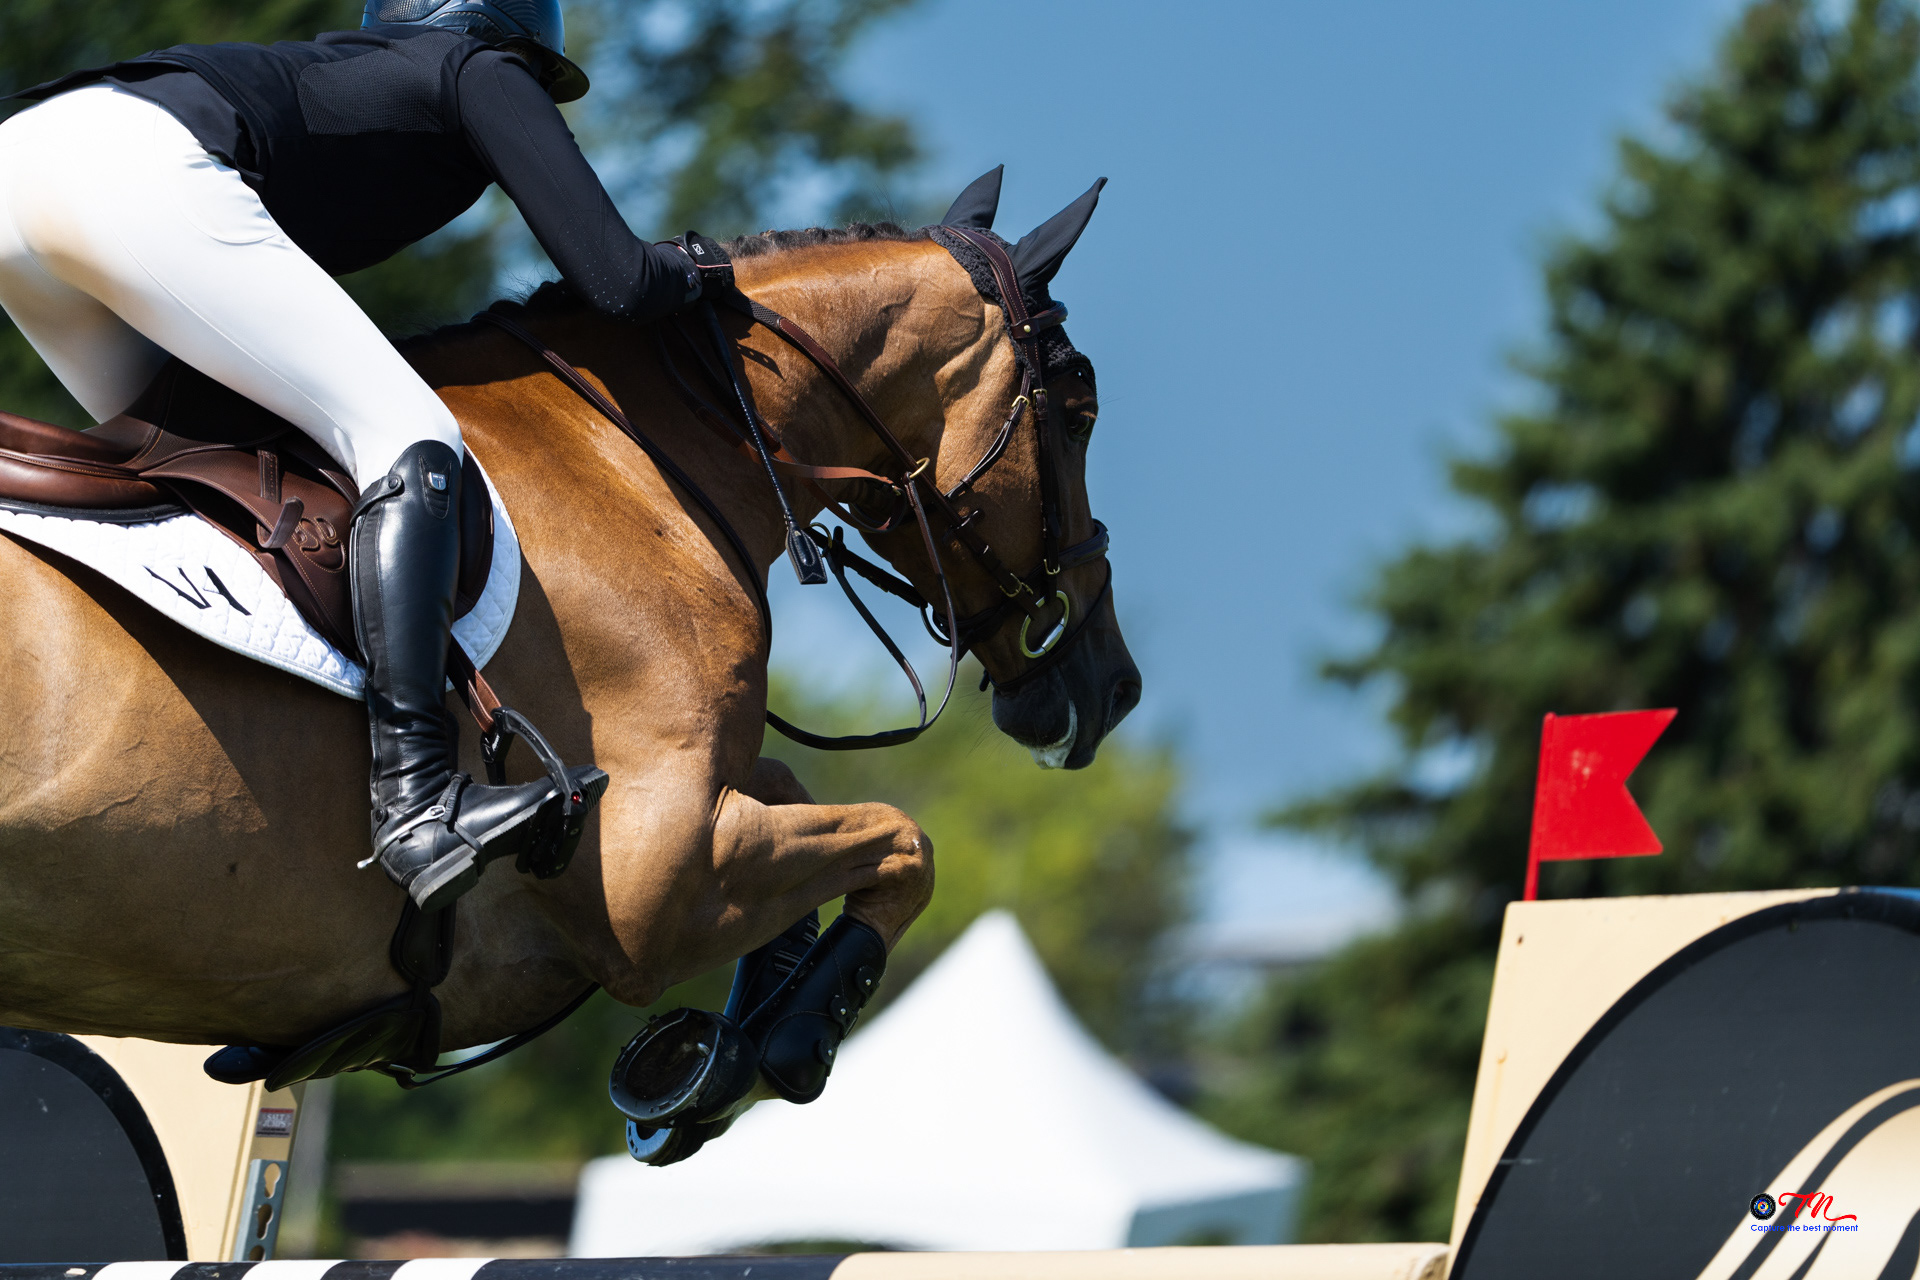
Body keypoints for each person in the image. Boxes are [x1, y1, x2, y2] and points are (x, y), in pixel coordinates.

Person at [0, 1, 706, 911]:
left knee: (217, 473)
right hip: (132, 165)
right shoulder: (480, 69)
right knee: (409, 437)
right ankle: (417, 800)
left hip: (25, 173)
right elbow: (619, 280)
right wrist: (707, 268)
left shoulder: (368, 67)